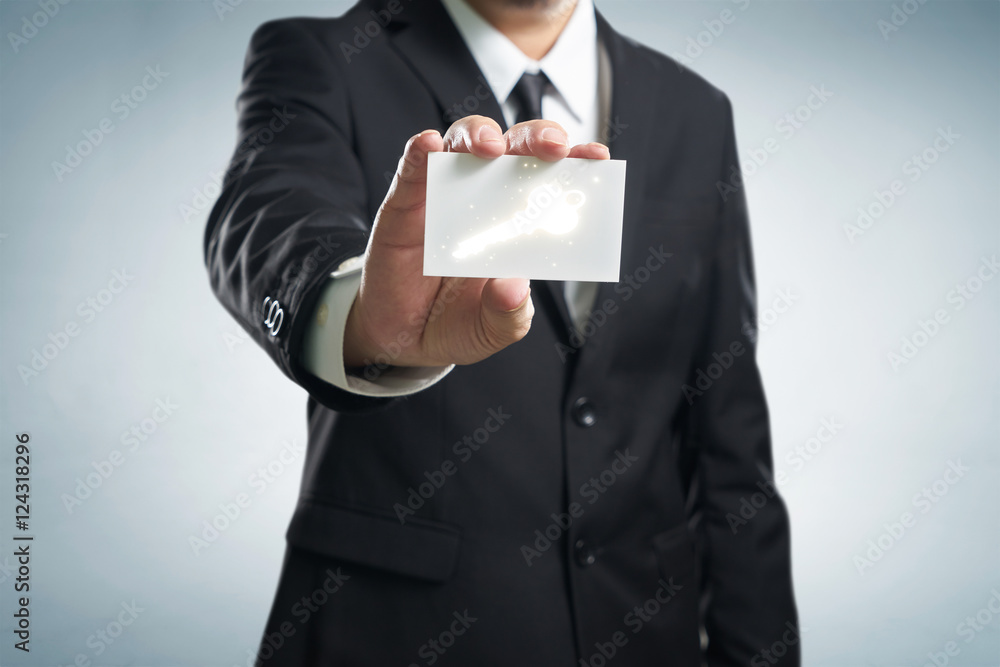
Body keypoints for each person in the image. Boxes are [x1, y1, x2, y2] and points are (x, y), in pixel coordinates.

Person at [204, 0, 799, 664]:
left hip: (644, 633)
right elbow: (264, 215)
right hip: (394, 634)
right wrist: (356, 315)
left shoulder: (696, 109)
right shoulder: (323, 56)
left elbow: (730, 451)